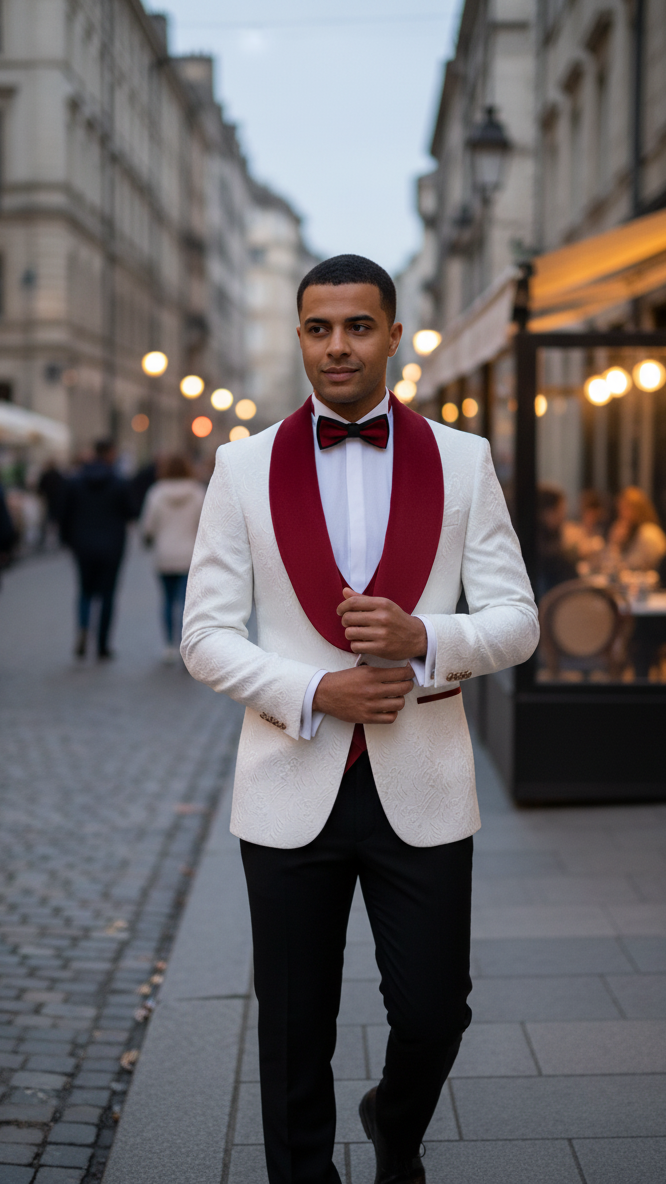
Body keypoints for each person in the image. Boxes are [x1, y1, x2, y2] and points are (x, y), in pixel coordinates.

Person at [181, 255, 539, 1184]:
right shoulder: (241, 465)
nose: (337, 345)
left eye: (357, 326)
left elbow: (520, 621)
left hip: (421, 780)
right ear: (301, 335)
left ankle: (396, 1122)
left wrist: (427, 636)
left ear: (393, 335)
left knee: (433, 1013)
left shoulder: (463, 461)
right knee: (296, 1026)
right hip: (288, 781)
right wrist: (312, 692)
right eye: (318, 327)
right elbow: (204, 636)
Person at [60, 439, 134, 660]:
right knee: (108, 595)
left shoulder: (75, 481)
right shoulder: (118, 482)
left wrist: (69, 541)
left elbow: (64, 514)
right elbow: (131, 512)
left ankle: (83, 627)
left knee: (84, 591)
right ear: (110, 453)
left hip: (82, 544)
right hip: (111, 545)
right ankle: (102, 644)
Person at [140, 455, 205, 662]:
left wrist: (149, 539)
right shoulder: (197, 493)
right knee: (188, 605)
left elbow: (148, 526)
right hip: (190, 555)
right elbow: (206, 524)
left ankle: (169, 645)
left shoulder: (156, 493)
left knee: (167, 601)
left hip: (165, 555)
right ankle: (188, 645)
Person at [607, 485, 666, 571]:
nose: (621, 515)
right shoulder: (636, 532)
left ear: (637, 508)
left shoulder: (648, 532)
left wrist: (616, 544)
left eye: (624, 509)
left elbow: (631, 566)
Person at [534, 483, 578, 599]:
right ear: (547, 513)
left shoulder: (547, 538)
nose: (563, 515)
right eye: (560, 510)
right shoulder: (546, 549)